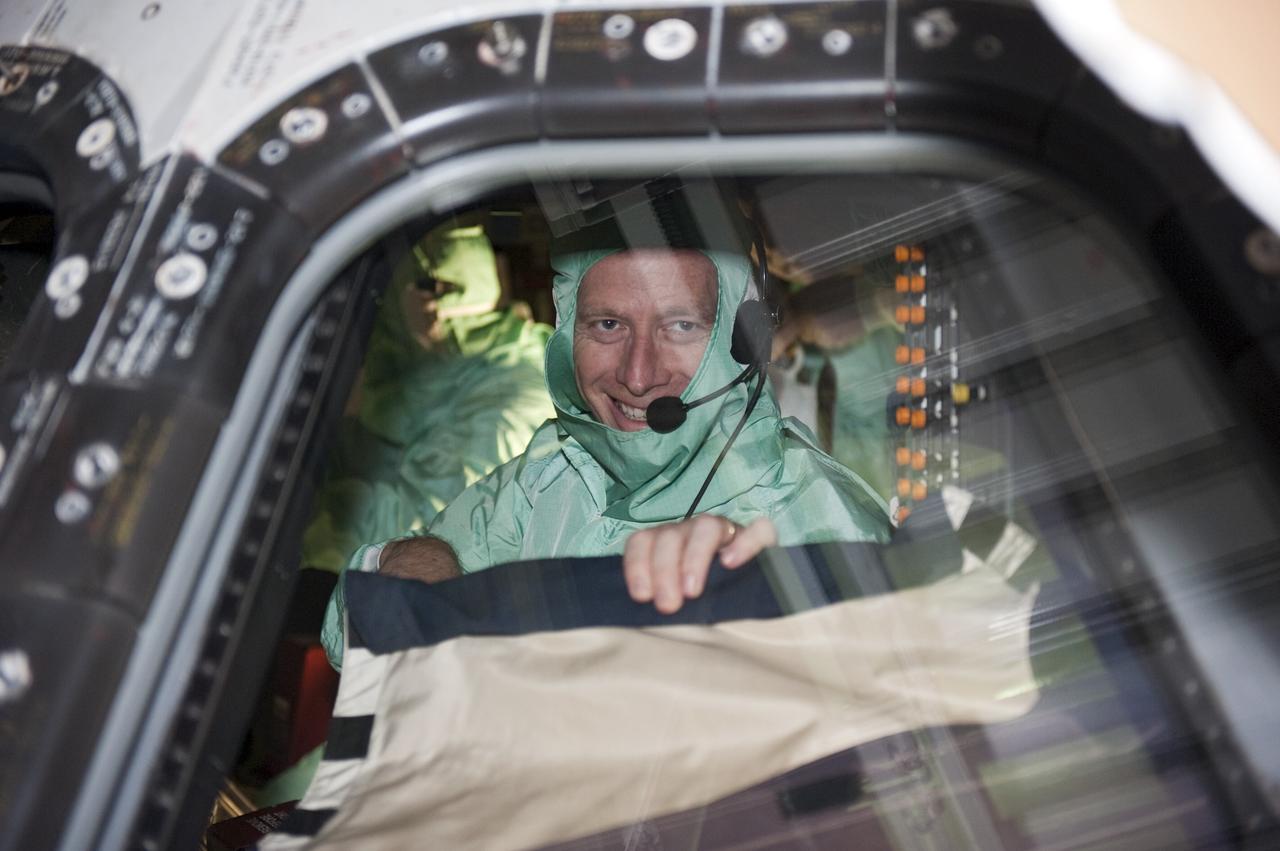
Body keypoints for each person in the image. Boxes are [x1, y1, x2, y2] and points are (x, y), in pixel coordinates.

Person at [321, 232, 891, 669]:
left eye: (680, 326)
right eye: (609, 324)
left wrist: (752, 599)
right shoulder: (552, 473)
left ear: (742, 342)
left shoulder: (824, 520)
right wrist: (410, 560)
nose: (637, 376)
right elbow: (348, 639)